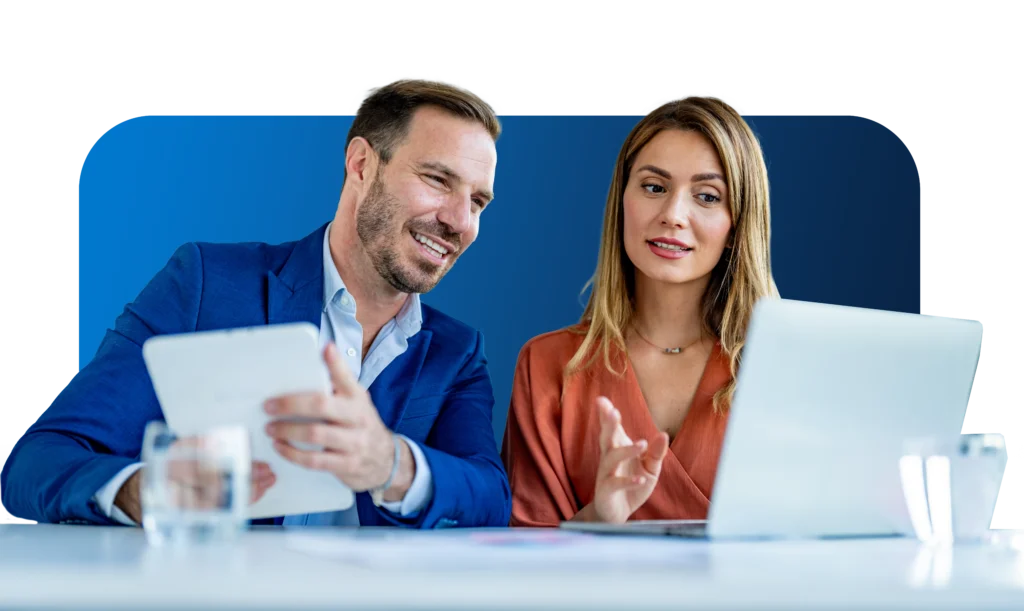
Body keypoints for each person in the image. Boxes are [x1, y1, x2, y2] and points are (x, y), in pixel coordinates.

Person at [0, 76, 511, 529]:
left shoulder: (456, 352)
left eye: (477, 201)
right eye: (437, 179)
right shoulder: (205, 284)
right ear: (360, 164)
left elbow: (491, 497)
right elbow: (36, 463)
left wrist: (392, 465)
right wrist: (147, 490)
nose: (460, 221)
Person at [501, 96, 780, 526]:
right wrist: (602, 516)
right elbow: (527, 559)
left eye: (707, 196)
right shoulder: (547, 365)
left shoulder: (780, 368)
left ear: (736, 225)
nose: (673, 215)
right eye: (654, 187)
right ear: (622, 201)